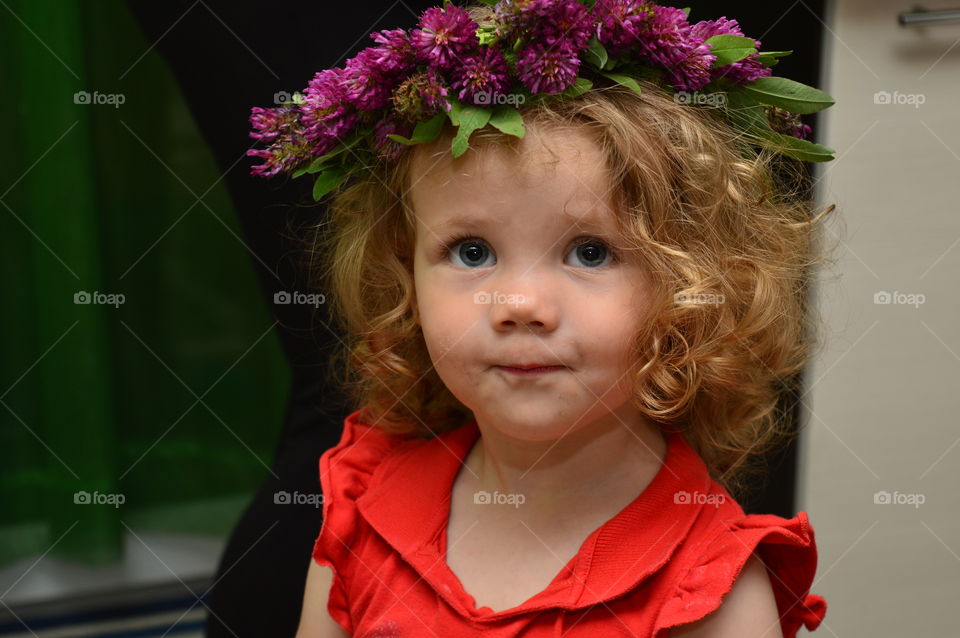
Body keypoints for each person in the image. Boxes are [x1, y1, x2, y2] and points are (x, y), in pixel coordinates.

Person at [247, 1, 837, 636]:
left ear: (692, 287)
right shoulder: (364, 509)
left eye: (590, 252)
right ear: (402, 280)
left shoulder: (708, 590)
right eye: (471, 252)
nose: (519, 305)